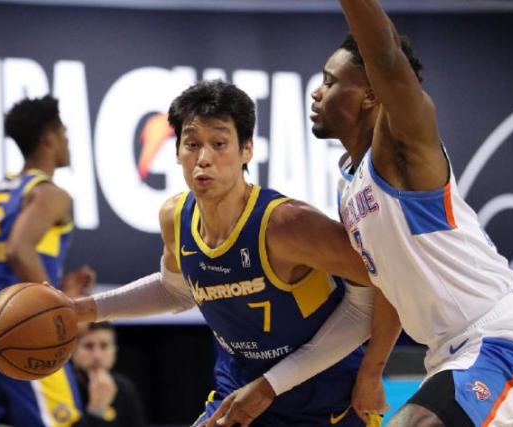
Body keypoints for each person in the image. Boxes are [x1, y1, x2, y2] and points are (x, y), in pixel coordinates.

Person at [209, 1, 513, 426]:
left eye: (330, 82)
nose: (317, 92)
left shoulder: (402, 150)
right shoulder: (349, 186)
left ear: (371, 94)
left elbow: (388, 58)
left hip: (497, 336)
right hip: (445, 354)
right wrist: (369, 372)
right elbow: (383, 293)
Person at [72, 80, 391, 426]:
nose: (203, 159)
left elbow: (383, 289)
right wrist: (84, 309)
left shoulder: (286, 224)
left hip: (327, 403)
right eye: (192, 144)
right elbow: (175, 290)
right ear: (177, 151)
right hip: (238, 394)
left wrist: (371, 372)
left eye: (219, 144)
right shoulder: (175, 218)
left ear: (247, 149)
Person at [0, 96, 95, 427]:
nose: (68, 141)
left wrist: (58, 283)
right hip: (24, 324)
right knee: (65, 423)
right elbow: (18, 250)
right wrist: (55, 304)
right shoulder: (50, 194)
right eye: (64, 133)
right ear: (49, 139)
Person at [71, 322, 147, 427]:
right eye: (88, 346)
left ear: (115, 351)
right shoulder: (64, 386)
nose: (97, 356)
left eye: (104, 346)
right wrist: (96, 409)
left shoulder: (124, 387)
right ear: (73, 351)